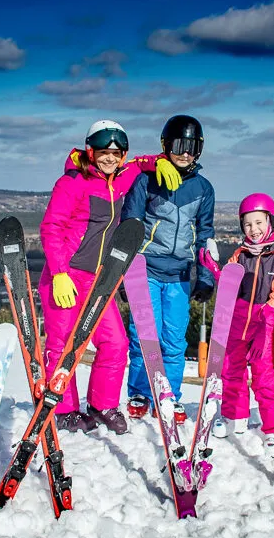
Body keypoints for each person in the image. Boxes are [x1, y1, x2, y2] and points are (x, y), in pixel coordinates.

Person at [39, 120, 182, 434]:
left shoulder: (119, 177)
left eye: (116, 153)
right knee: (63, 346)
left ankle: (102, 405)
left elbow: (138, 164)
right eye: (104, 152)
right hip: (66, 275)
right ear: (91, 151)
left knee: (115, 342)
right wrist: (60, 272)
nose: (110, 158)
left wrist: (158, 161)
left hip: (100, 279)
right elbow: (51, 228)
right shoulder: (72, 183)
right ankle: (63, 410)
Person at [121, 115, 215, 420]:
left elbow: (205, 234)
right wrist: (125, 273)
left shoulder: (203, 188)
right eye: (178, 145)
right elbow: (130, 226)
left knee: (174, 340)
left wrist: (205, 275)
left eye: (191, 146)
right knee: (144, 336)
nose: (184, 153)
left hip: (179, 275)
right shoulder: (147, 180)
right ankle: (140, 391)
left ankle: (169, 395)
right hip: (145, 270)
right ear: (166, 145)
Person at [199, 193, 274, 456]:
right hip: (237, 323)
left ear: (270, 221)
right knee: (232, 372)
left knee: (263, 377)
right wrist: (216, 270)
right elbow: (230, 283)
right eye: (248, 224)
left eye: (259, 222)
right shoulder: (241, 254)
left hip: (263, 324)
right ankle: (233, 416)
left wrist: (267, 325)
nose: (254, 229)